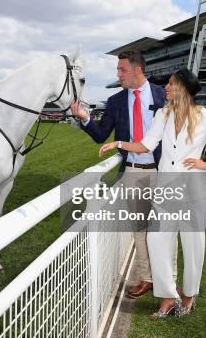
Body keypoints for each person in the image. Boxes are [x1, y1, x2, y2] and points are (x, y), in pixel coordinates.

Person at [99, 68, 206, 318]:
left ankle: (188, 296)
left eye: (171, 83)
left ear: (183, 88)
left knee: (192, 243)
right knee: (158, 241)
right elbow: (146, 145)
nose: (165, 87)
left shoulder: (205, 116)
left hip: (195, 189)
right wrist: (119, 143)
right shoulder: (163, 114)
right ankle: (167, 297)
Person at [71, 50, 175, 299]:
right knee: (140, 229)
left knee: (166, 229)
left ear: (138, 70)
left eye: (122, 70)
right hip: (133, 173)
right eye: (118, 70)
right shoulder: (116, 100)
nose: (118, 74)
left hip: (165, 172)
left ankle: (170, 282)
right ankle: (147, 278)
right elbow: (101, 134)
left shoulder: (164, 95)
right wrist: (85, 119)